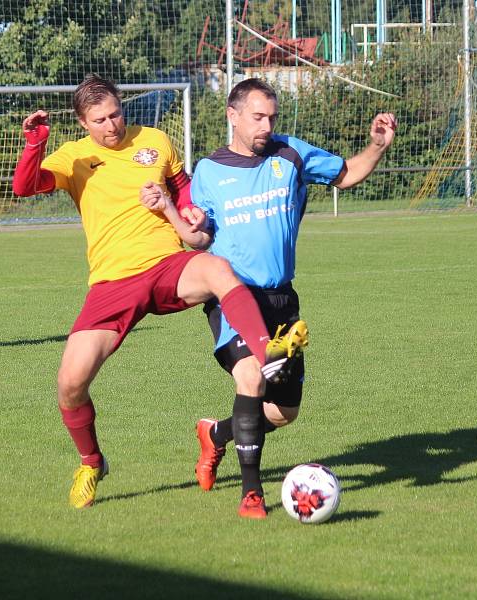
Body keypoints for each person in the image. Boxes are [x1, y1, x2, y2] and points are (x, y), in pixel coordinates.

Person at [12, 74, 286, 509]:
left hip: (165, 265)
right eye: (100, 119)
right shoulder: (73, 157)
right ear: (83, 122)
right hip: (111, 283)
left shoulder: (156, 140)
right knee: (69, 384)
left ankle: (266, 351)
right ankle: (91, 462)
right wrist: (35, 144)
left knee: (217, 269)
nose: (112, 125)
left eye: (116, 113)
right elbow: (25, 187)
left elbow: (184, 190)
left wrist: (192, 212)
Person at [140, 78, 397, 518]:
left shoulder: (290, 153)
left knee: (282, 411)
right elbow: (199, 239)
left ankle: (217, 434)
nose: (266, 125)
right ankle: (251, 494)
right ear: (233, 115)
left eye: (272, 117)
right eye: (257, 117)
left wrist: (376, 146)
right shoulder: (209, 171)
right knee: (251, 380)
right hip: (233, 297)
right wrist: (178, 213)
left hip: (282, 301)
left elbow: (347, 174)